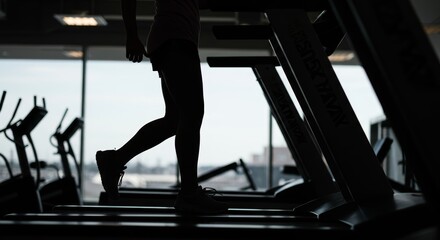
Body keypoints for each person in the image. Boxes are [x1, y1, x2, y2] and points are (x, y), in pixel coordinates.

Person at [96, 0, 229, 215]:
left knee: (175, 120)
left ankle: (114, 160)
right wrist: (131, 36)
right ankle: (188, 194)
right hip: (175, 39)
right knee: (192, 115)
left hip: (173, 38)